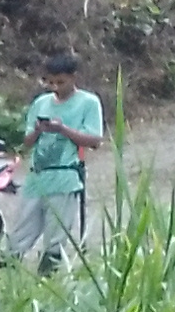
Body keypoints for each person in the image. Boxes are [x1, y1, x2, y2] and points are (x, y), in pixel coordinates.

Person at [9, 52, 105, 272]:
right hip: (37, 177)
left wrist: (62, 129)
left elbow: (94, 140)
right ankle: (6, 275)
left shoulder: (89, 102)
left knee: (56, 236)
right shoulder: (41, 103)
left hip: (65, 177)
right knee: (20, 233)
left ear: (74, 77)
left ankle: (47, 277)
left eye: (60, 82)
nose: (55, 87)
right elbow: (27, 142)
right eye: (50, 82)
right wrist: (38, 130)